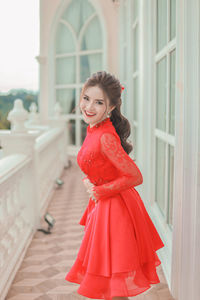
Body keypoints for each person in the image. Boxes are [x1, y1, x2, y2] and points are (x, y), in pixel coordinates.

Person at [65, 71, 165, 300]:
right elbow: (95, 164)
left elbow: (135, 176)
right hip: (103, 207)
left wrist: (99, 190)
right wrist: (89, 180)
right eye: (86, 98)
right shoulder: (94, 129)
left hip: (115, 212)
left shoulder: (106, 136)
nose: (89, 106)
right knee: (109, 283)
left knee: (116, 283)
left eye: (98, 102)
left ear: (110, 108)